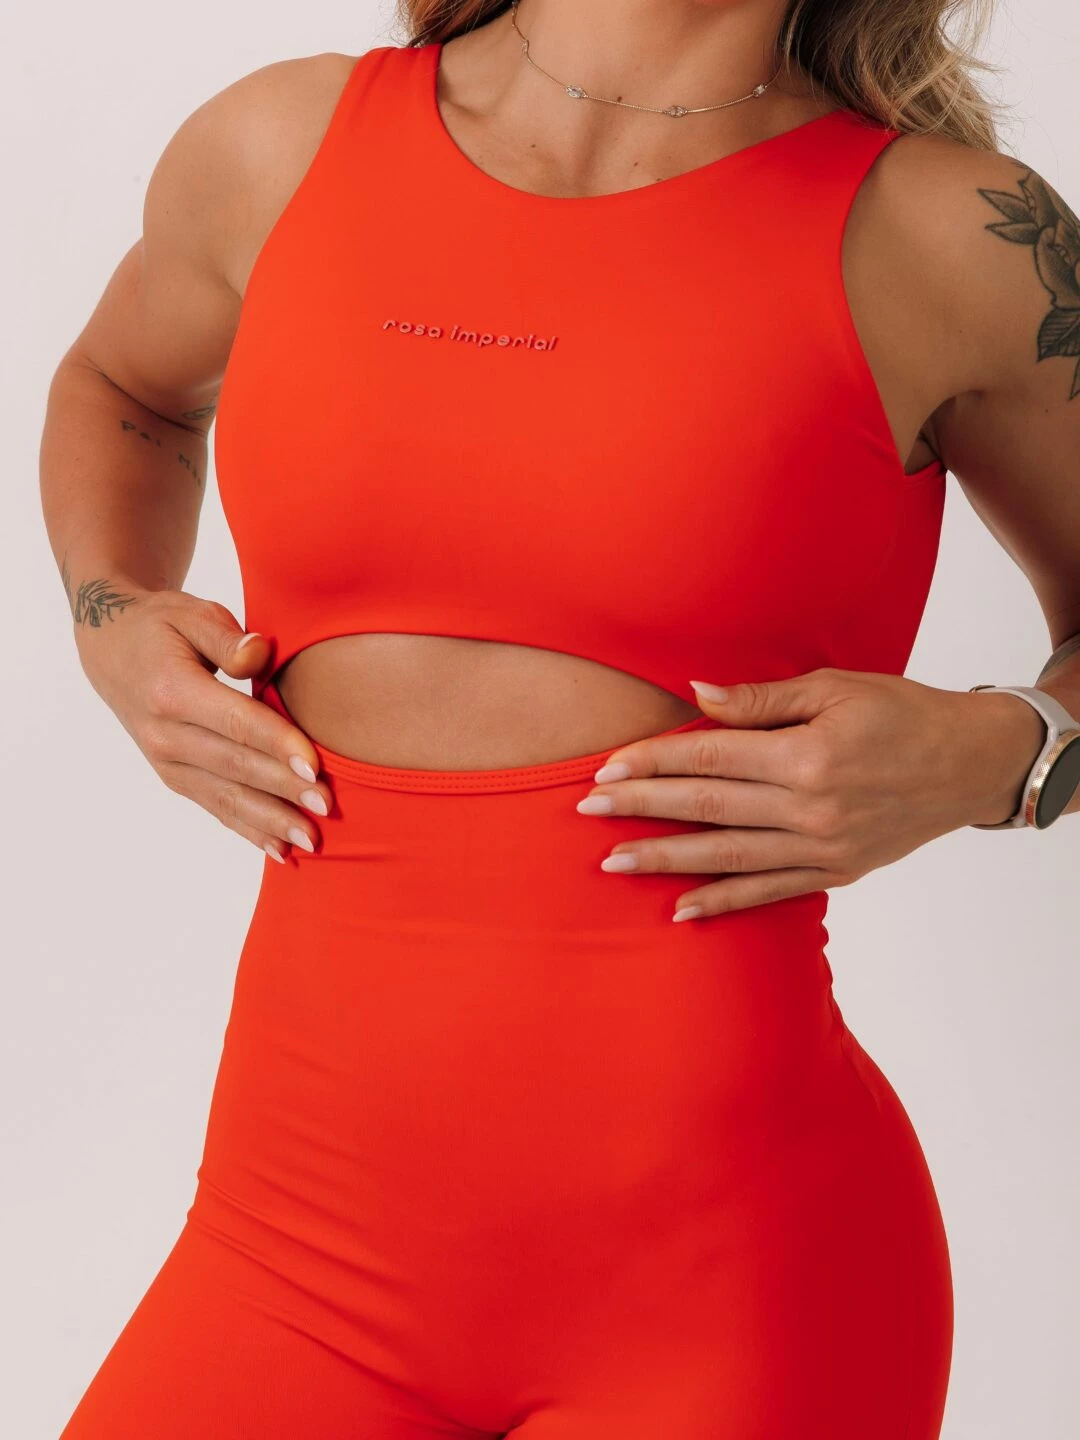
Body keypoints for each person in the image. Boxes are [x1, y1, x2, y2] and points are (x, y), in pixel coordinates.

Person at [42, 0, 1080, 1436]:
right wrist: (114, 614)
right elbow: (127, 387)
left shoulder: (954, 238)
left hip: (730, 1295)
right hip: (287, 1257)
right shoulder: (281, 144)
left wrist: (1002, 751)